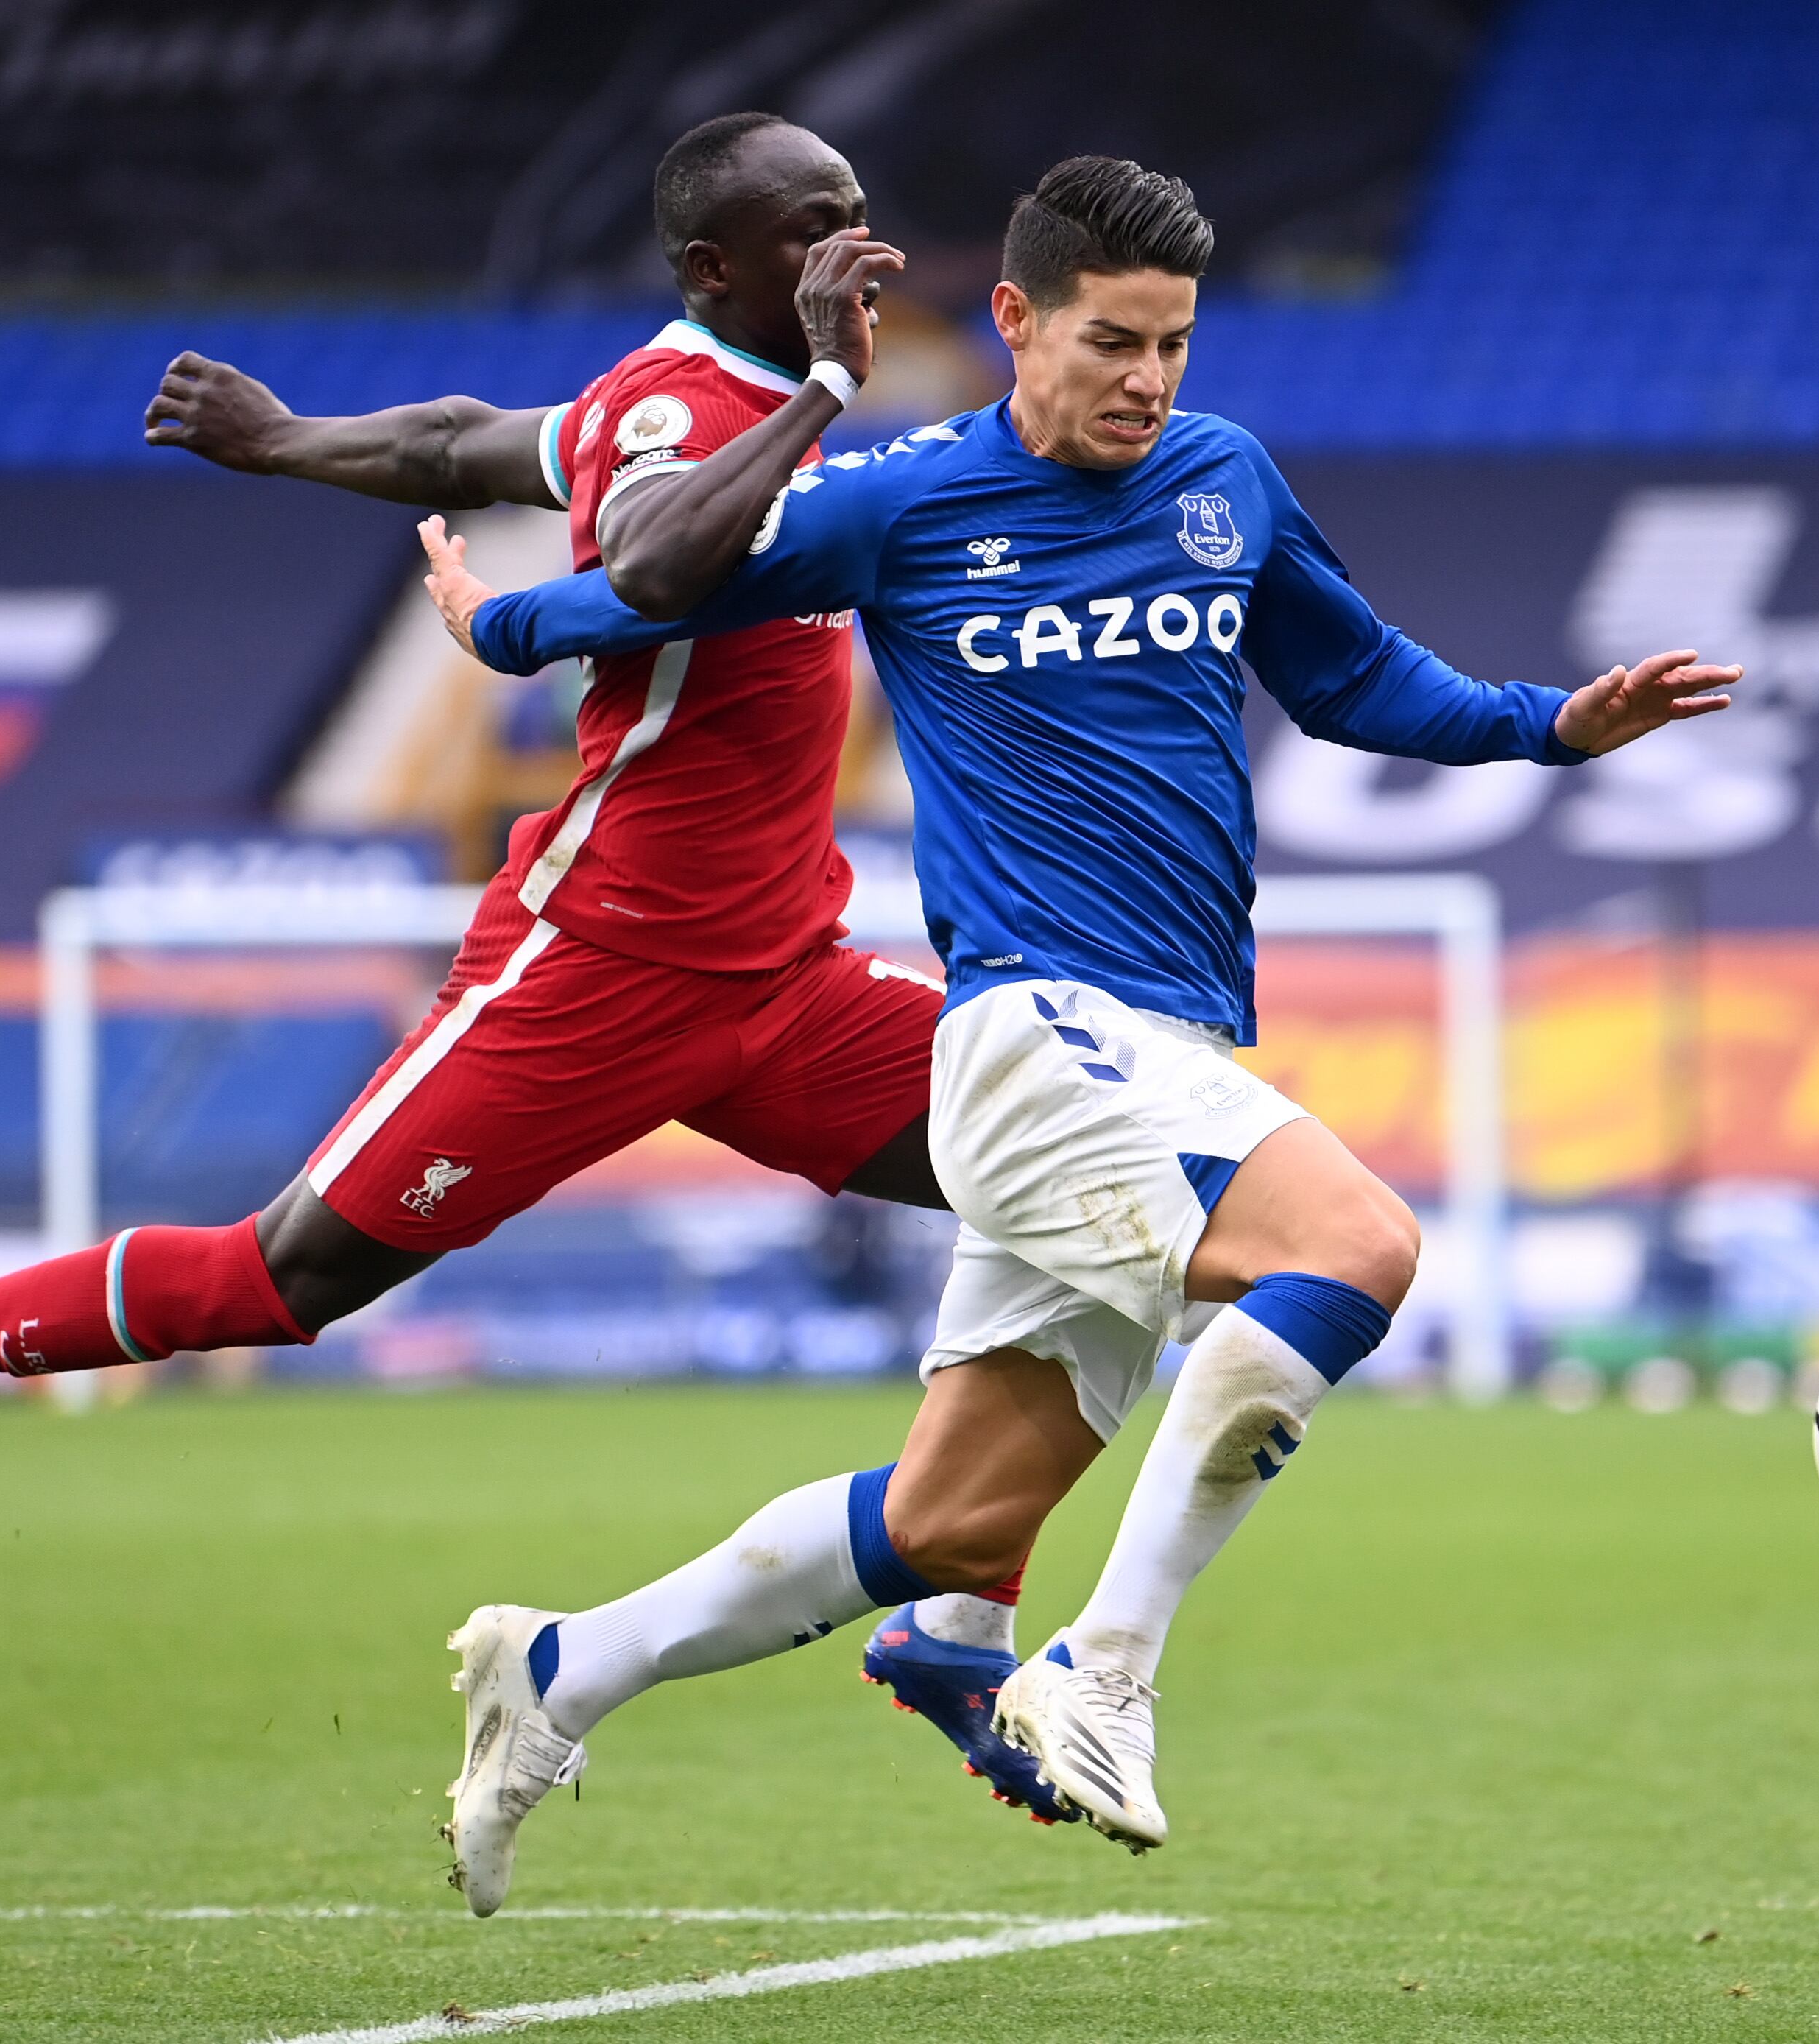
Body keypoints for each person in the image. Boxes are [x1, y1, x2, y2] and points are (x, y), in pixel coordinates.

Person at [0, 111, 1077, 1829]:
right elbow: (659, 563)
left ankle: (961, 1617)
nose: (852, 258)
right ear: (710, 271)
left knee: (1060, 1180)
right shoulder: (683, 408)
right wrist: (826, 390)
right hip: (589, 972)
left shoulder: (705, 403)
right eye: (811, 229)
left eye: (861, 221)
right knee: (281, 1279)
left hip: (783, 979)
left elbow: (466, 438)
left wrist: (292, 438)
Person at [420, 155, 1739, 1896]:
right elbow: (648, 590)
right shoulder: (895, 502)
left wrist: (1551, 723)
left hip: (1170, 1041)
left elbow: (1348, 680)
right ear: (1014, 321)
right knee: (1350, 1244)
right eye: (1112, 342)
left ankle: (565, 1664)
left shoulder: (1220, 478)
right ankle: (1104, 1673)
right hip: (1034, 1031)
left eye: (1174, 346)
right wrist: (496, 619)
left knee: (945, 1523)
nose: (1147, 382)